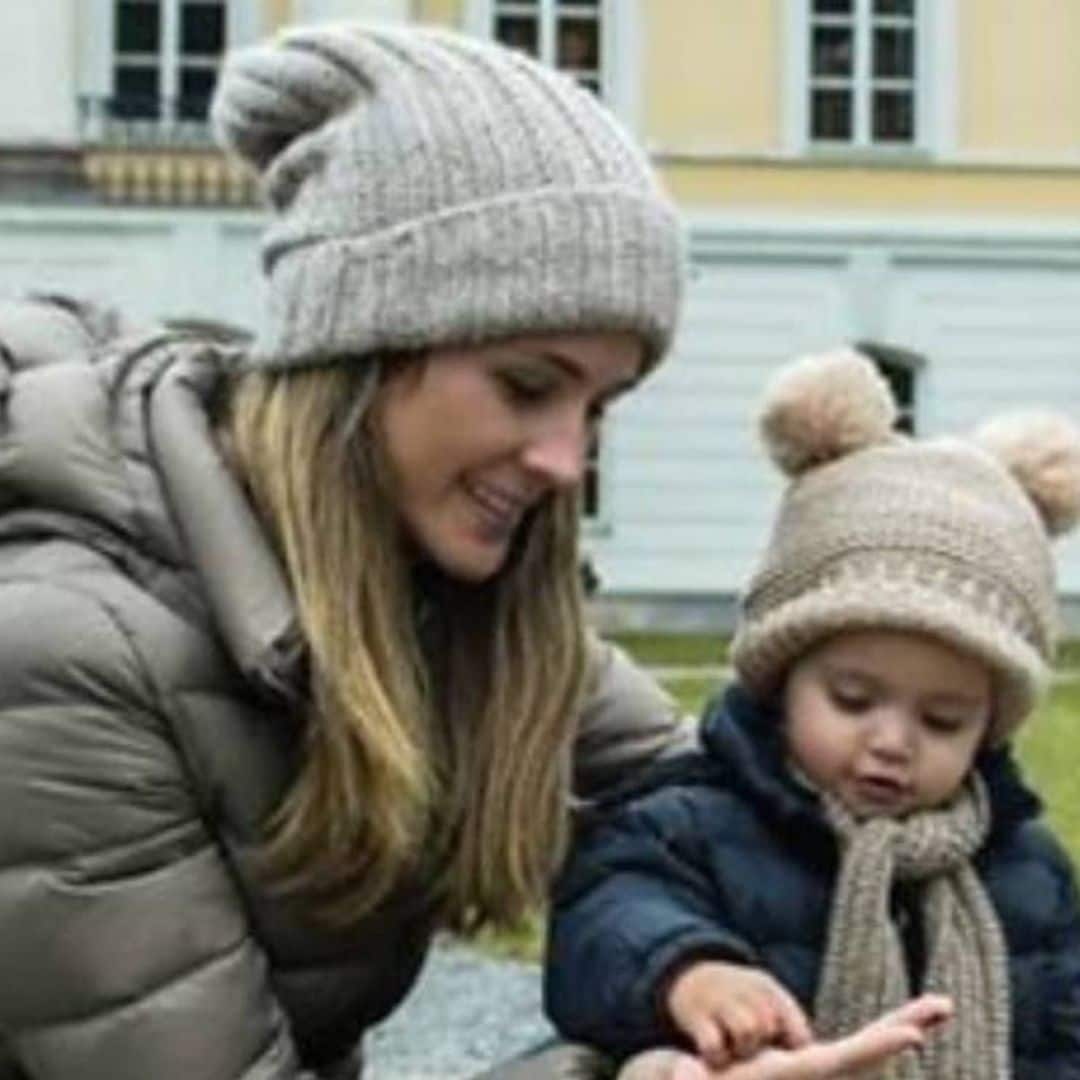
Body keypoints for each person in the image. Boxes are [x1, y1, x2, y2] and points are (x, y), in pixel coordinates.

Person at [0, 21, 973, 1080]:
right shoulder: (62, 659)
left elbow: (725, 792)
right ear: (359, 353)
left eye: (599, 406)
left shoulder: (450, 595)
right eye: (527, 384)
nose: (566, 459)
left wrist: (696, 966)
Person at [545, 347, 1080, 1079]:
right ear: (781, 676)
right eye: (852, 700)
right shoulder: (692, 824)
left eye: (944, 720)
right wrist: (692, 975)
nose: (892, 741)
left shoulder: (1026, 872)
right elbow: (600, 928)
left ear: (991, 726)